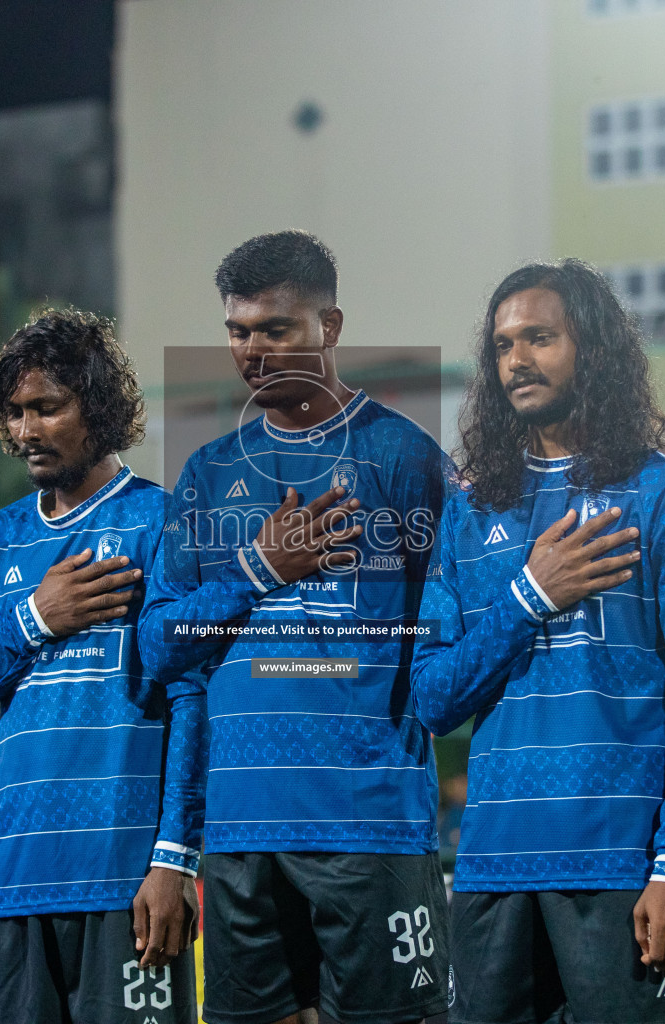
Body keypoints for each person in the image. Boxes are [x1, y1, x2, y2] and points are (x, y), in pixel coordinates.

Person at [141, 230, 452, 1024]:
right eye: (238, 331)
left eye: (275, 328)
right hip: (241, 829)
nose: (252, 350)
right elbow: (157, 648)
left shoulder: (404, 458)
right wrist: (258, 570)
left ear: (331, 327)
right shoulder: (208, 473)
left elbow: (444, 640)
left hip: (367, 825)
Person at [410, 260, 665, 1022]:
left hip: (624, 870)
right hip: (494, 869)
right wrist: (530, 595)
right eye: (502, 345)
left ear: (594, 348)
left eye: (540, 338)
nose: (517, 359)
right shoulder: (466, 513)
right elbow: (432, 699)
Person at [0, 310, 205, 1023]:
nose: (25, 431)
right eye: (16, 412)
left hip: (125, 878)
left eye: (47, 408)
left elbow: (191, 699)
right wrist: (35, 619)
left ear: (100, 408)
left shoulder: (161, 522)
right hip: (18, 878)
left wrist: (174, 858)